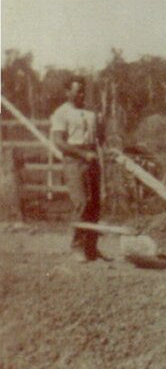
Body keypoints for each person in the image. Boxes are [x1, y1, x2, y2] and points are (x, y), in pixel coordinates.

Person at [51, 76, 104, 262]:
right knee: (81, 202)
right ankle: (77, 247)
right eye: (77, 90)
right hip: (74, 161)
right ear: (68, 92)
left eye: (83, 90)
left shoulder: (91, 112)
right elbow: (58, 142)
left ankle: (91, 248)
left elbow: (99, 137)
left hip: (92, 159)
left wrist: (101, 152)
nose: (81, 94)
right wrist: (82, 155)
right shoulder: (61, 113)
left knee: (95, 204)